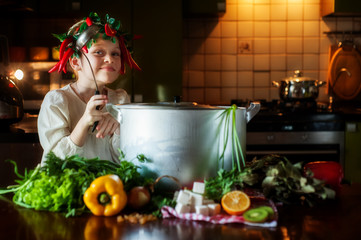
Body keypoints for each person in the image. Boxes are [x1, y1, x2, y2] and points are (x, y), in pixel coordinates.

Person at [38, 12, 141, 164]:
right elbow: (56, 161)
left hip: (108, 185)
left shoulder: (120, 99)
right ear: (75, 63)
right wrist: (85, 121)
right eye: (99, 52)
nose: (109, 59)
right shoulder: (57, 101)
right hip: (68, 186)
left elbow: (126, 160)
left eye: (115, 53)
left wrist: (119, 129)